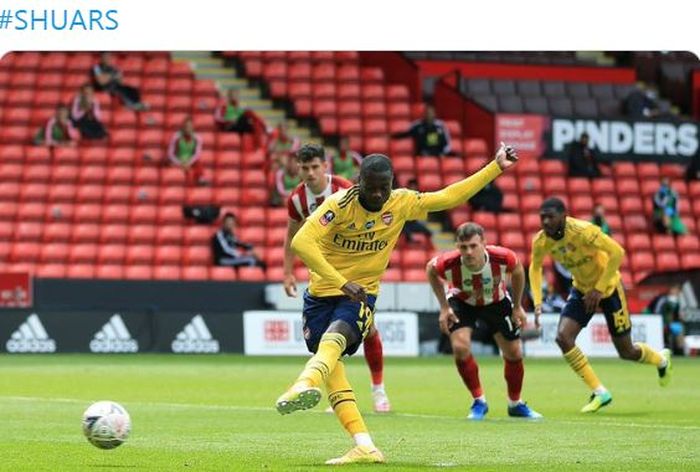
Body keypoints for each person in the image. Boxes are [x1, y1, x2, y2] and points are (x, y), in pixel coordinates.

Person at [275, 142, 518, 464]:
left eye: (384, 188)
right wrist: (340, 282)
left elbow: (448, 197)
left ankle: (304, 382)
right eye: (372, 189)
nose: (378, 195)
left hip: (362, 293)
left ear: (391, 184)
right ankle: (364, 445)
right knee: (331, 363)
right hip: (323, 292)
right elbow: (301, 241)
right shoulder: (339, 204)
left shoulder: (401, 201)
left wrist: (496, 166)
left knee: (334, 339)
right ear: (359, 183)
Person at [529, 197, 672, 413]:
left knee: (626, 351)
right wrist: (538, 303)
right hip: (581, 290)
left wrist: (599, 288)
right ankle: (600, 392)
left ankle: (661, 360)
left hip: (609, 289)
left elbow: (617, 252)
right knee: (563, 338)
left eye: (550, 217)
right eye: (542, 218)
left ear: (563, 216)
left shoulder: (584, 231)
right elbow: (535, 267)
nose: (546, 222)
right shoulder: (541, 241)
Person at [282, 143, 392, 413]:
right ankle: (339, 393)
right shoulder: (297, 199)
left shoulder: (345, 191)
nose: (310, 173)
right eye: (304, 168)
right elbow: (293, 236)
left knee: (368, 330)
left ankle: (378, 390)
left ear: (325, 166)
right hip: (323, 275)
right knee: (326, 339)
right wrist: (287, 271)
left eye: (314, 167)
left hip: (354, 273)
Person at [426, 222, 542, 420]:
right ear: (457, 247)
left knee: (514, 352)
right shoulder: (450, 263)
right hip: (462, 302)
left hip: (496, 301)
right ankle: (479, 401)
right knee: (460, 348)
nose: (468, 252)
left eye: (473, 246)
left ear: (484, 244)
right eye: (463, 247)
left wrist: (517, 307)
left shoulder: (502, 257)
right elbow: (431, 270)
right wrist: (444, 307)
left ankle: (515, 404)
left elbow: (518, 271)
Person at [645, 284, 686, 355]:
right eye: (676, 290)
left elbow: (675, 316)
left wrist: (679, 318)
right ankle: (666, 349)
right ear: (671, 289)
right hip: (656, 323)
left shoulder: (676, 302)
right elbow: (656, 312)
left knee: (680, 330)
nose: (677, 293)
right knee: (666, 332)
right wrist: (663, 323)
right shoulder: (662, 298)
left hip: (669, 324)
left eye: (679, 291)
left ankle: (680, 352)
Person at [166, 116, 206, 186]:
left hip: (190, 160)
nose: (188, 128)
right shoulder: (176, 136)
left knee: (199, 163)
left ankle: (200, 179)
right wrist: (180, 163)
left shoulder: (198, 138)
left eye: (190, 126)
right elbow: (170, 153)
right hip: (178, 159)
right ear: (183, 127)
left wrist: (188, 163)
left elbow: (197, 154)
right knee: (168, 163)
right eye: (186, 126)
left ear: (193, 127)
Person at [401, 178, 434, 249]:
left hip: (413, 223)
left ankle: (428, 250)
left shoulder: (419, 198)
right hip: (403, 223)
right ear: (408, 187)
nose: (413, 188)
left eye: (415, 186)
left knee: (428, 232)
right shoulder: (403, 198)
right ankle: (409, 243)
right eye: (411, 186)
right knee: (404, 231)